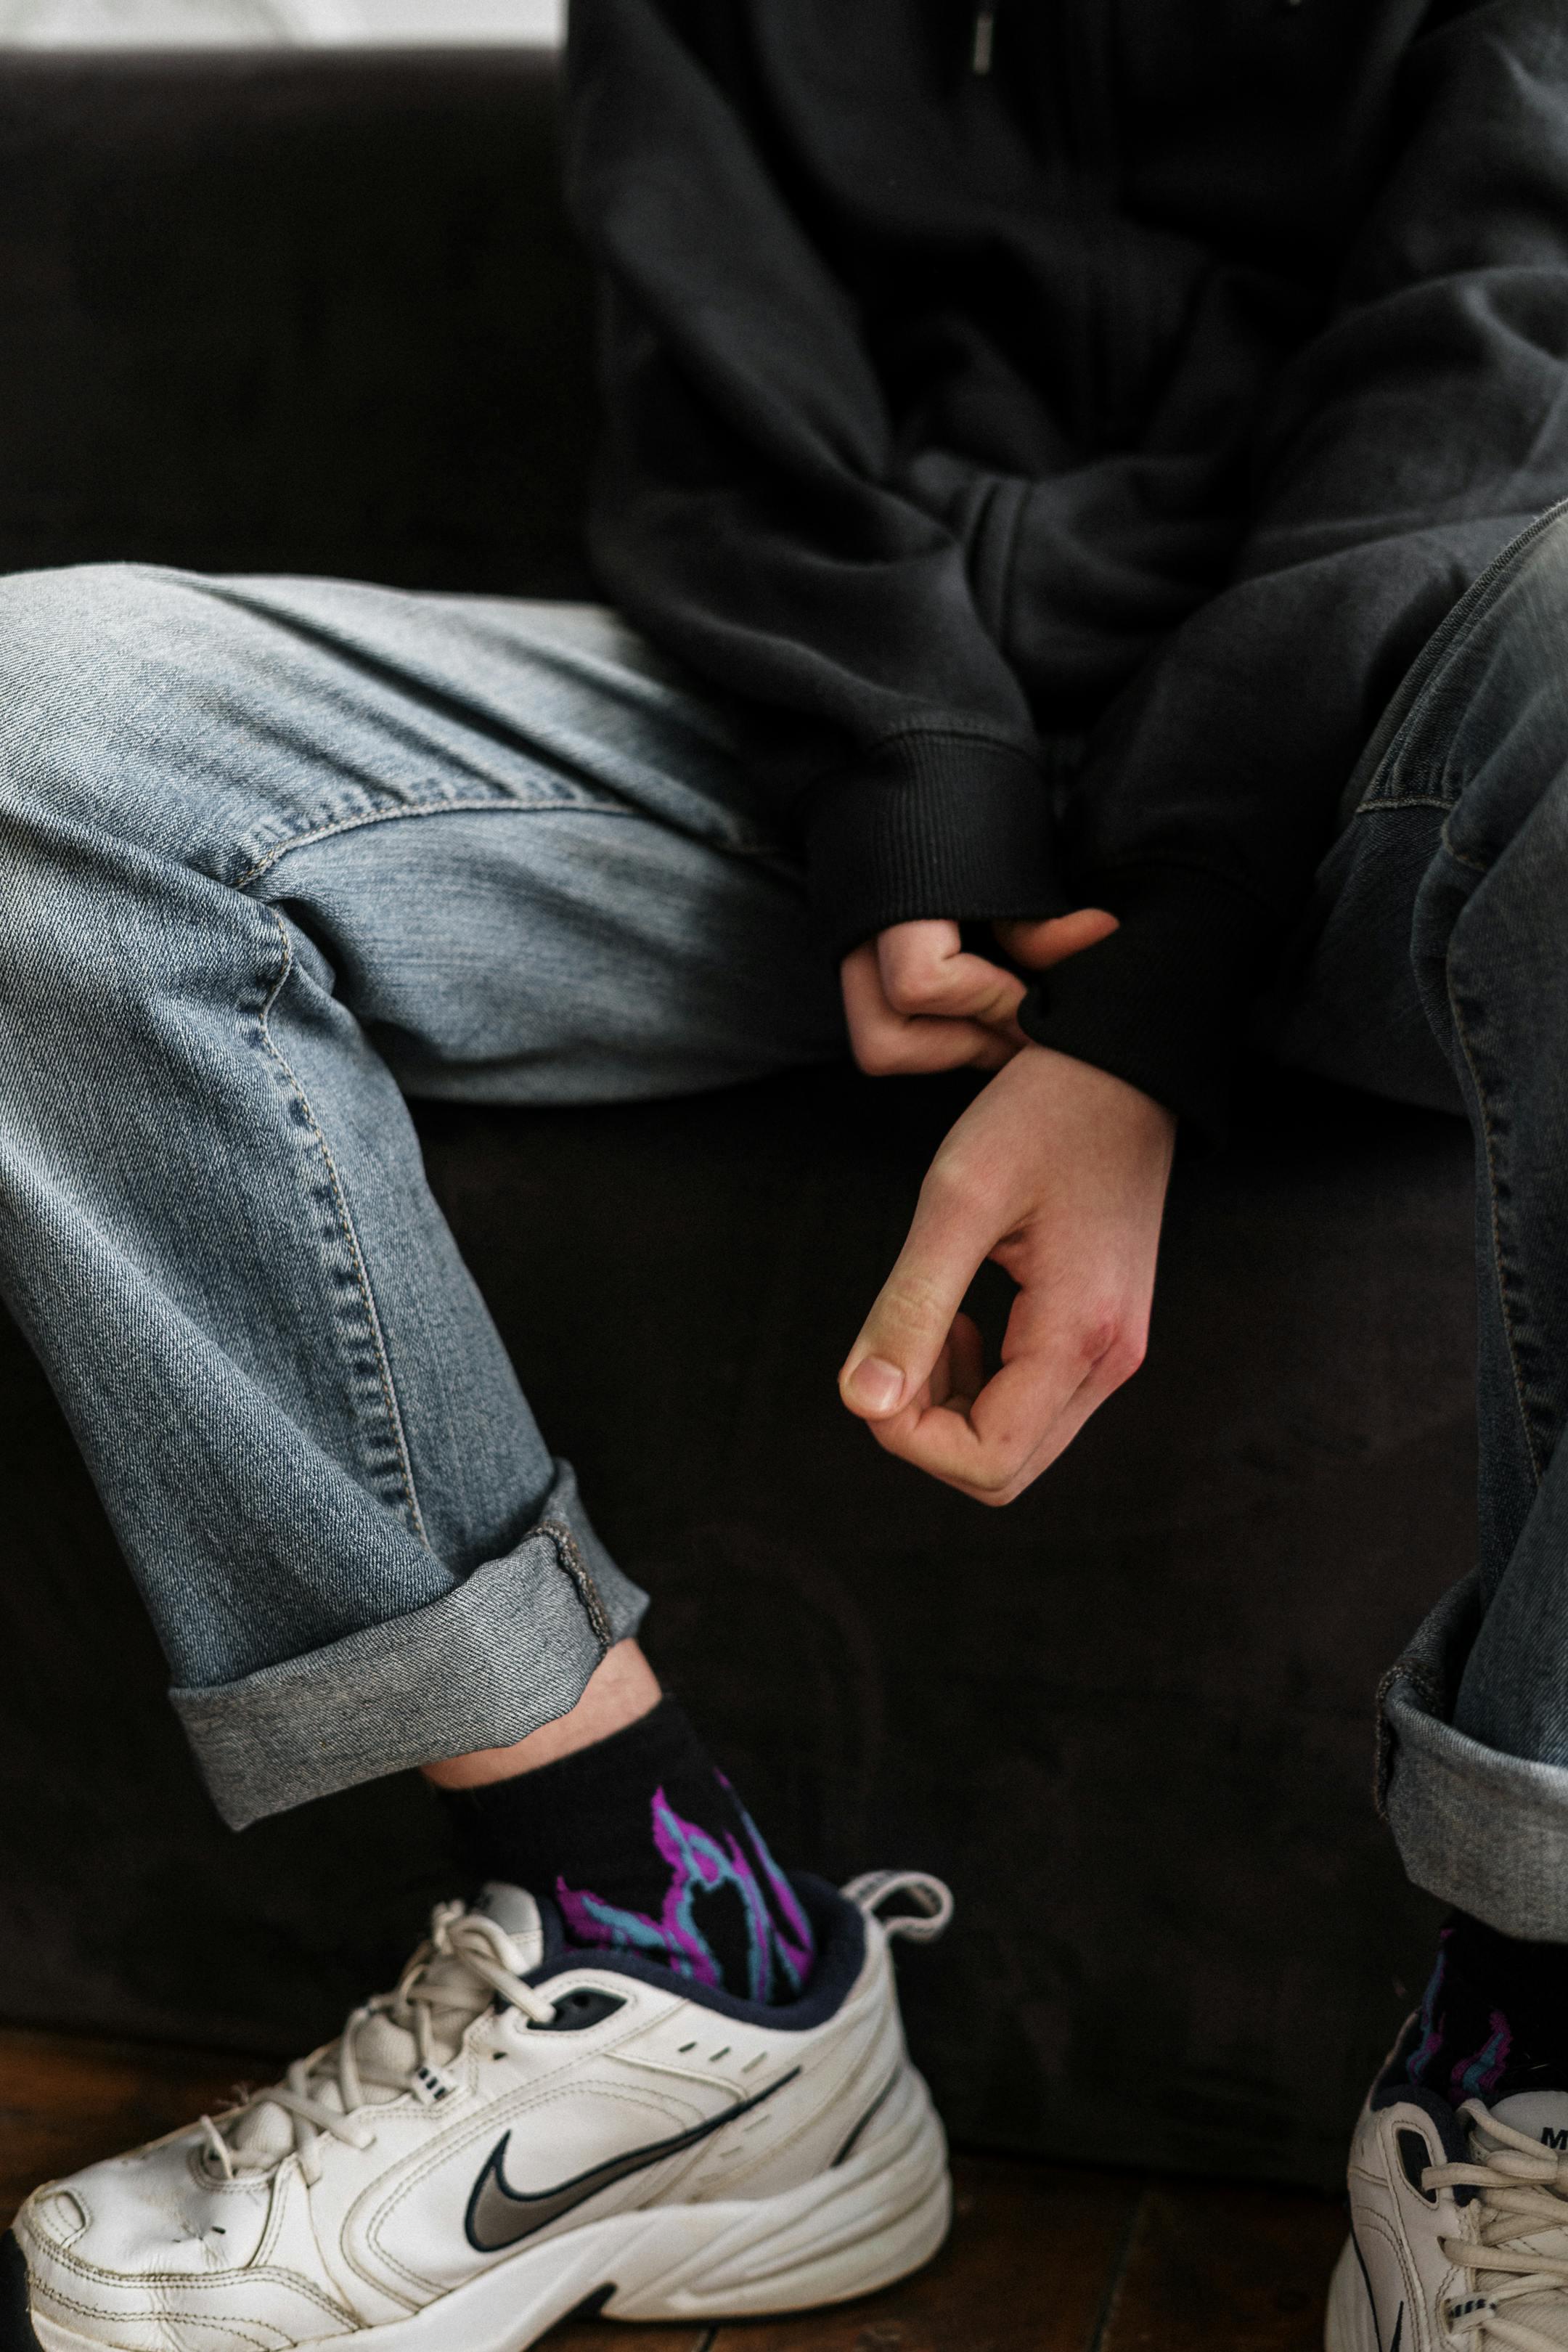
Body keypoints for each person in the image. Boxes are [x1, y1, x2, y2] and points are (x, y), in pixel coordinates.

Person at [3, 2, 1568, 2347]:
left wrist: (1152, 1011)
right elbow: (730, 419)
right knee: (40, 734)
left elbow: (1480, 390)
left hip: (1389, 734)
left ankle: (1526, 2069)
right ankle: (657, 1931)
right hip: (801, 770)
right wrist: (909, 791)